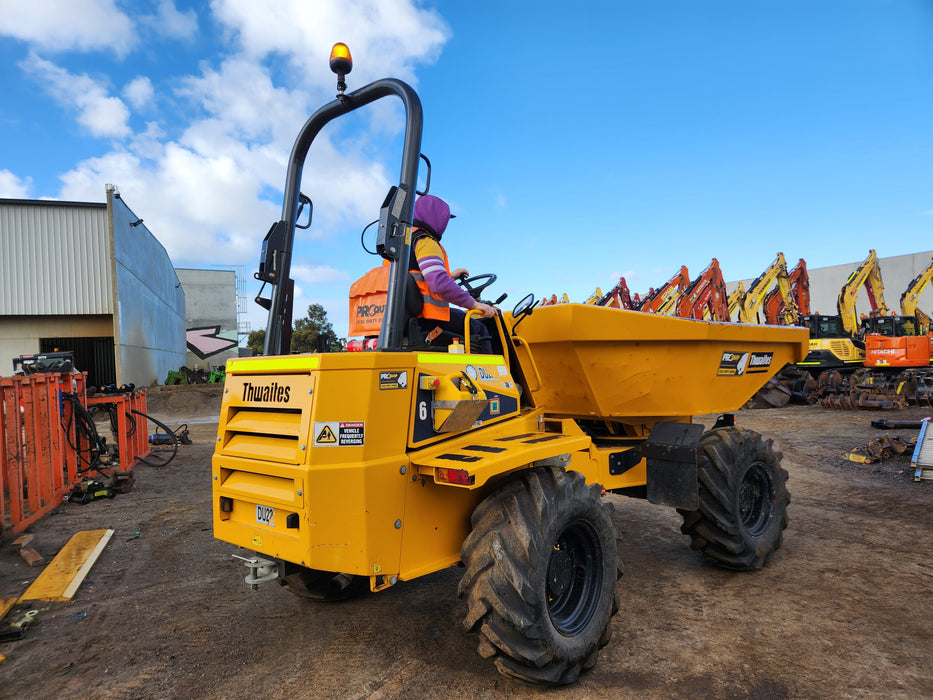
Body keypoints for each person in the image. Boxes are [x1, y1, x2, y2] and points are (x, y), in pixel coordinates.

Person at [409, 194, 495, 353]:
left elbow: (421, 281)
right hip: (428, 319)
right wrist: (475, 304)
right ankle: (492, 377)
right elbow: (439, 284)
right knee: (479, 330)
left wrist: (451, 276)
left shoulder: (405, 242)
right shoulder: (425, 240)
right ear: (435, 217)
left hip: (412, 317)